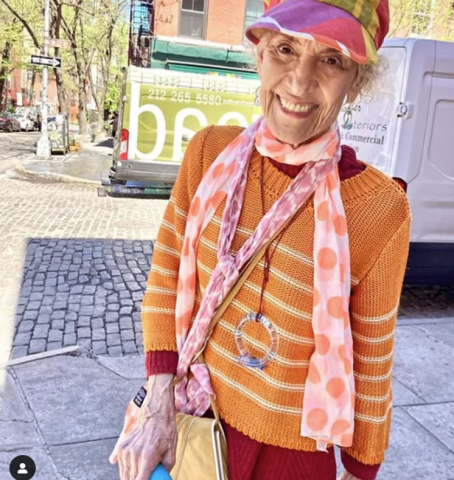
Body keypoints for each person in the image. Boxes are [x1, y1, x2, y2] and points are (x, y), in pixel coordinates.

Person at [115, 1, 411, 479]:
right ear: (258, 54)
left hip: (290, 461)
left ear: (356, 81)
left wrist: (361, 472)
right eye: (285, 49)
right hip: (187, 427)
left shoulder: (378, 208)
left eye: (331, 59)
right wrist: (157, 402)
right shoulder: (208, 153)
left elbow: (372, 359)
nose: (299, 81)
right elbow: (165, 276)